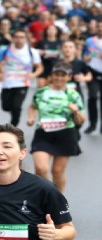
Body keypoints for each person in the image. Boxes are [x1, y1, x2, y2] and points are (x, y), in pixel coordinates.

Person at [27, 62, 86, 192]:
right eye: (56, 74)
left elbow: (81, 120)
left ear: (68, 77)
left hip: (66, 134)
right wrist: (31, 117)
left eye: (63, 75)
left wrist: (76, 111)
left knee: (57, 172)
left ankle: (58, 202)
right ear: (51, 76)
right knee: (41, 169)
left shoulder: (73, 95)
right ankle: (47, 194)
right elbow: (32, 107)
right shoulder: (41, 92)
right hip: (43, 133)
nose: (59, 78)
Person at [0, 29, 43, 127]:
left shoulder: (31, 52)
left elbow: (39, 67)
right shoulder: (6, 51)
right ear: (13, 38)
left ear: (25, 39)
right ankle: (14, 114)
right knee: (5, 107)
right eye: (16, 37)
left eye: (21, 37)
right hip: (7, 83)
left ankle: (13, 125)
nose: (19, 40)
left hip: (22, 83)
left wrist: (33, 75)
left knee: (17, 106)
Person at [83, 21, 102, 134]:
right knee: (93, 97)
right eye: (98, 27)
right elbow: (85, 54)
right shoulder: (90, 41)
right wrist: (86, 58)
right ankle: (92, 124)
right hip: (92, 73)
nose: (100, 29)